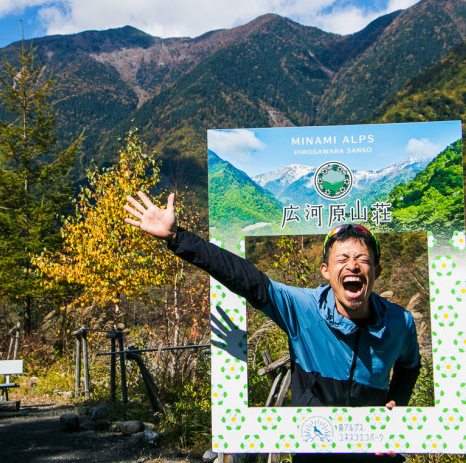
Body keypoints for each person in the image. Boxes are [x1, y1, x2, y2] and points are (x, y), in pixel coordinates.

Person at [124, 191, 421, 462]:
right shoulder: (304, 309)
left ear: (377, 271)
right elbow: (247, 279)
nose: (353, 266)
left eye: (362, 259)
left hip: (373, 451)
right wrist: (177, 237)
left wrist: (397, 402)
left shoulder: (399, 322)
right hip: (314, 452)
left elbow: (410, 365)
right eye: (342, 258)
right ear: (326, 271)